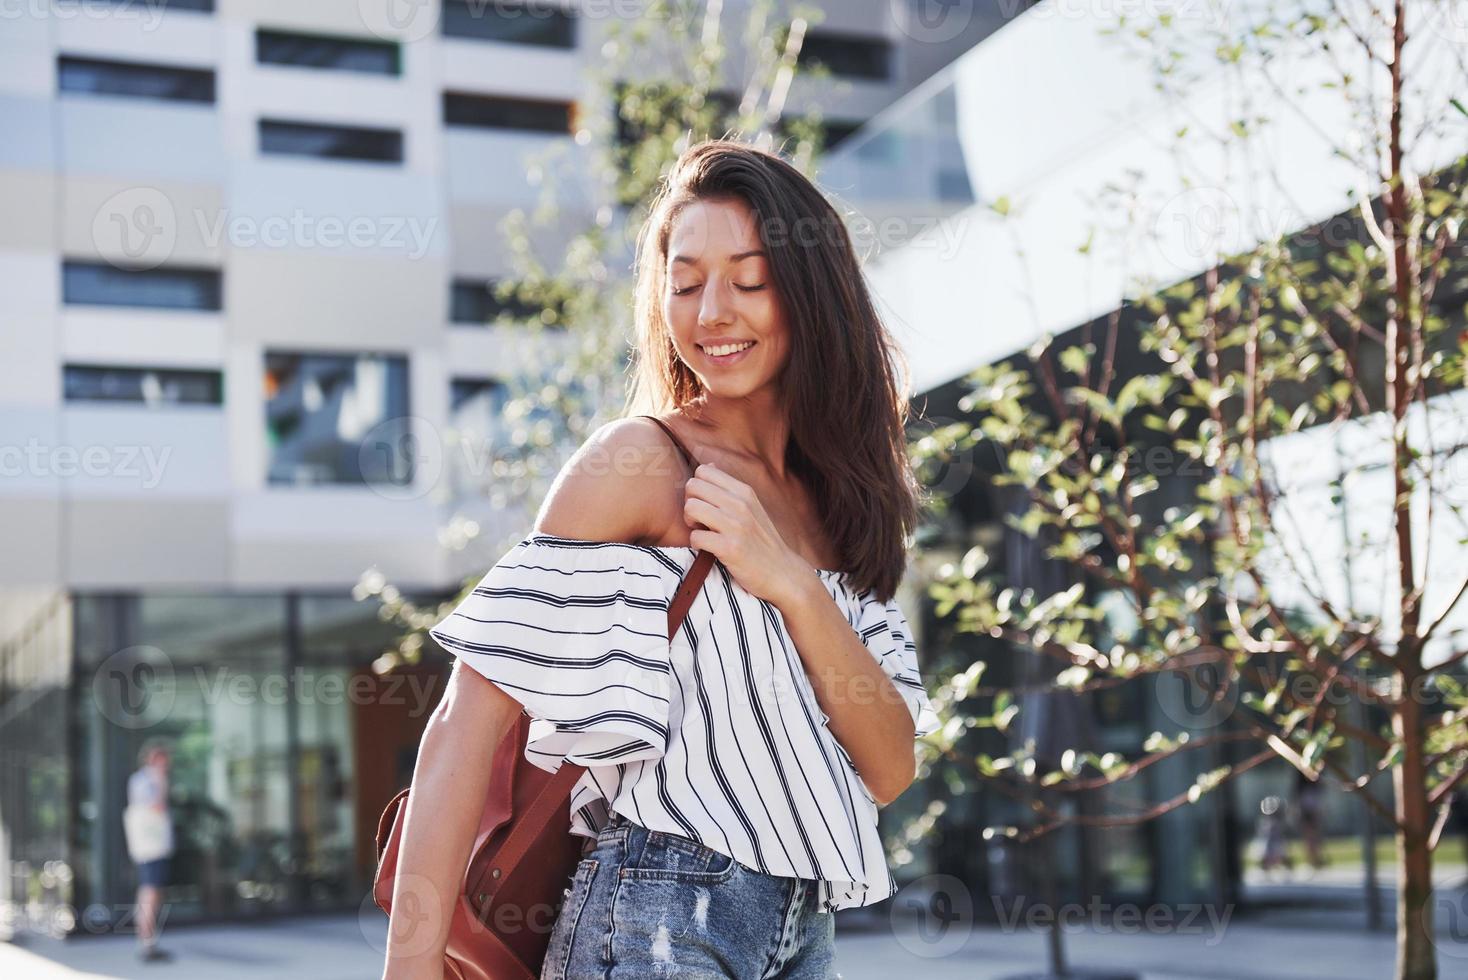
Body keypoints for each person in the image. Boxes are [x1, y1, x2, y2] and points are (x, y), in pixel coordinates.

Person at [380, 139, 939, 980]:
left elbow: (891, 766)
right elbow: (468, 719)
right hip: (660, 912)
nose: (712, 312)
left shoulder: (841, 503)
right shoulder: (642, 464)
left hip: (804, 932)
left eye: (749, 280)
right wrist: (409, 967)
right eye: (684, 284)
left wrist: (788, 582)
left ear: (811, 294)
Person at [124, 738, 174, 963]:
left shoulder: (147, 779)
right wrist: (161, 781)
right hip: (149, 848)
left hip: (154, 847)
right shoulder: (145, 780)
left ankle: (148, 939)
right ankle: (146, 940)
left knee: (153, 891)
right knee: (150, 891)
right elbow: (156, 806)